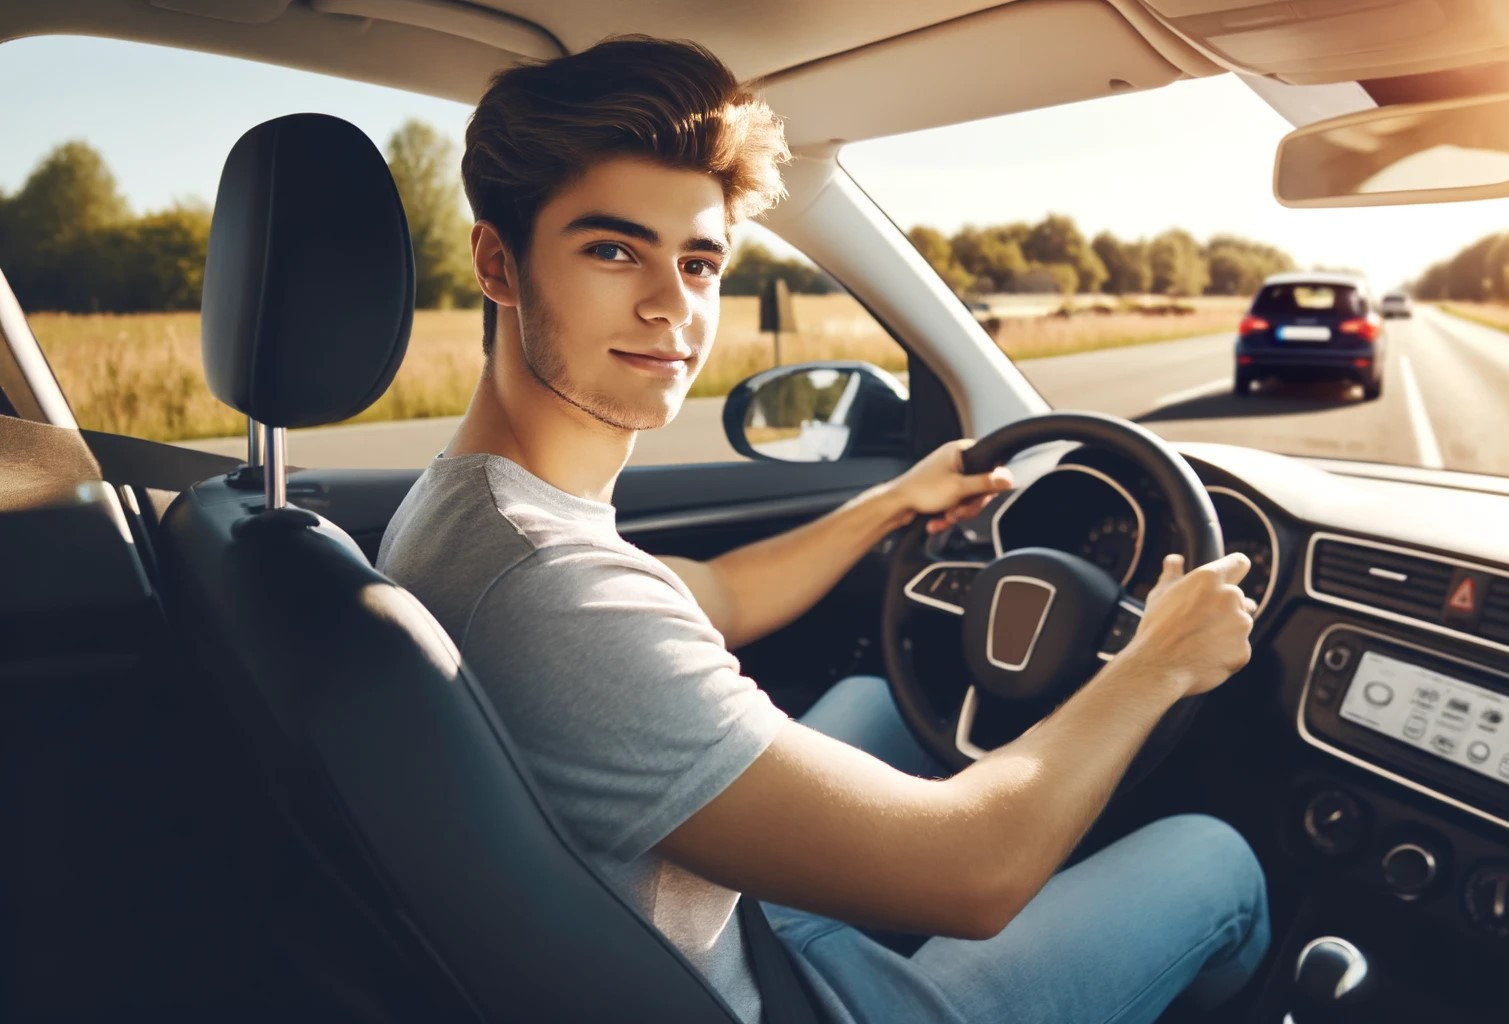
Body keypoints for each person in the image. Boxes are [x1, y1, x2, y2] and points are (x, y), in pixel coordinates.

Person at [377, 34, 1268, 1024]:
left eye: (700, 260)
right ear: (498, 265)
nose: (672, 306)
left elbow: (707, 597)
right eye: (613, 249)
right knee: (1218, 859)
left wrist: (892, 502)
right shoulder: (551, 591)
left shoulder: (471, 508)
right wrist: (1160, 660)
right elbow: (972, 872)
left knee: (868, 696)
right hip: (772, 1001)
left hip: (695, 936)